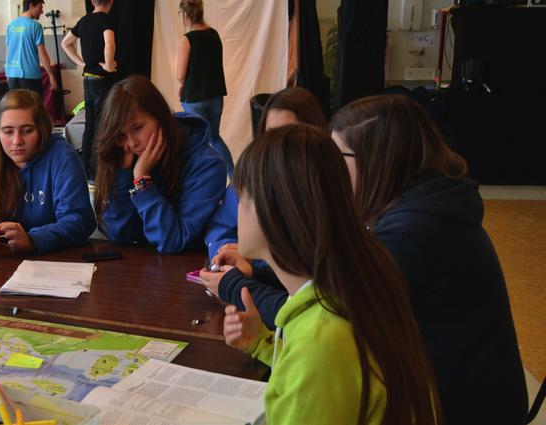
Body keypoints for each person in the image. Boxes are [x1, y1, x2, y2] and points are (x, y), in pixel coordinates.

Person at [213, 95, 528, 424]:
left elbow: (323, 338)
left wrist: (237, 285)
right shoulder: (424, 215)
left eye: (335, 156)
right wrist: (263, 338)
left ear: (377, 161)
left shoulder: (405, 241)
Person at [227, 124, 441, 424]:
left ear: (271, 210)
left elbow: (322, 364)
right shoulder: (357, 276)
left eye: (242, 197)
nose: (236, 209)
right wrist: (261, 342)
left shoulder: (322, 339)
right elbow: (330, 381)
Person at [202, 86, 326, 307]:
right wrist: (226, 251)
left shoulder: (321, 191)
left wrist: (255, 262)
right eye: (269, 134)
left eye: (287, 135)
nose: (275, 146)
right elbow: (221, 226)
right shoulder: (253, 175)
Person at [0, 90, 95, 255]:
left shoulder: (62, 157)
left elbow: (80, 221)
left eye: (27, 130)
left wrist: (33, 240)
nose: (17, 141)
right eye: (8, 131)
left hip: (52, 260)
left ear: (41, 129)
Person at [94, 75, 226, 254]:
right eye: (121, 136)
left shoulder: (207, 165)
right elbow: (119, 234)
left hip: (188, 271)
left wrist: (142, 182)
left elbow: (174, 241)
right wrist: (125, 174)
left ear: (161, 116)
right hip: (145, 270)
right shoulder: (125, 156)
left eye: (137, 128)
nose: (132, 143)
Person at [174, 0, 231, 176]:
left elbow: (180, 75)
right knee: (214, 137)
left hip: (194, 97)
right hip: (215, 96)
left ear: (185, 15)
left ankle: (201, 181)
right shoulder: (214, 34)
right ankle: (235, 178)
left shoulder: (187, 39)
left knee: (197, 142)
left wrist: (181, 85)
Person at [62, 0, 117, 178]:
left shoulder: (84, 21)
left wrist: (83, 64)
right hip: (102, 81)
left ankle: (85, 168)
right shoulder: (107, 20)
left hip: (87, 80)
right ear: (111, 1)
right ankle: (97, 171)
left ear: (92, 2)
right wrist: (108, 65)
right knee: (102, 126)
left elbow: (66, 43)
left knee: (90, 125)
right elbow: (109, 43)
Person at [4, 0, 57, 98]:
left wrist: (8, 74)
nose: (42, 11)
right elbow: (42, 54)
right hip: (30, 77)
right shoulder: (35, 26)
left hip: (12, 76)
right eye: (40, 7)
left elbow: (8, 52)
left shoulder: (10, 26)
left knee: (17, 109)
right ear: (31, 6)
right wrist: (51, 75)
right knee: (33, 110)